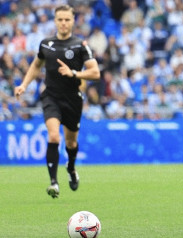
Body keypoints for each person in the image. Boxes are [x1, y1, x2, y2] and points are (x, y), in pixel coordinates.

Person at [14, 5, 100, 198]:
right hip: (51, 97)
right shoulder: (46, 44)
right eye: (60, 19)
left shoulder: (80, 45)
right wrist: (24, 85)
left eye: (67, 19)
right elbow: (36, 65)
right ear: (55, 21)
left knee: (71, 142)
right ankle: (54, 183)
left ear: (73, 21)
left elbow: (95, 73)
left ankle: (71, 168)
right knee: (54, 136)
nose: (63, 23)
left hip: (72, 100)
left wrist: (74, 73)